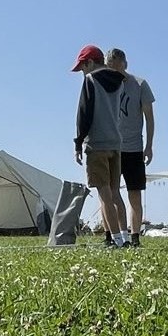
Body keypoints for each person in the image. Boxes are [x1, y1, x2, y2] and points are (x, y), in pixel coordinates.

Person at [71, 44, 131, 248]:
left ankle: (117, 241)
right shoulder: (120, 83)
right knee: (115, 193)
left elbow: (84, 115)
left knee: (103, 193)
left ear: (90, 63)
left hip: (97, 144)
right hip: (116, 144)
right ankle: (126, 236)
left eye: (82, 67)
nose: (82, 72)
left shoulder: (90, 81)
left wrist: (78, 143)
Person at [107, 48, 155, 248]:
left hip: (134, 148)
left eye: (118, 66)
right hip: (111, 147)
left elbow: (149, 117)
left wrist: (149, 145)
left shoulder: (140, 84)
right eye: (111, 67)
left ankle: (135, 237)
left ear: (125, 63)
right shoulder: (104, 85)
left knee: (134, 194)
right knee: (109, 193)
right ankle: (113, 236)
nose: (116, 71)